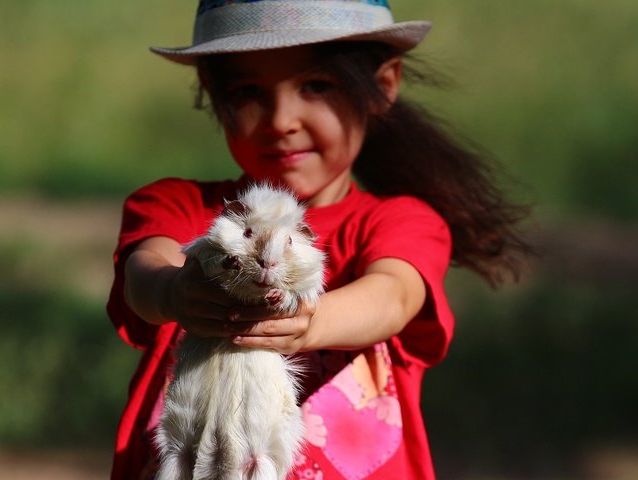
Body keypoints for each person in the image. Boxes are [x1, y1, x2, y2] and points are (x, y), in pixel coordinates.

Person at [107, 1, 531, 478]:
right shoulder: (181, 206)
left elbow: (395, 295)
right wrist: (172, 291)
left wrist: (311, 321)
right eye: (249, 91)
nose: (281, 119)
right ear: (213, 91)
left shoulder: (400, 221)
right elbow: (143, 272)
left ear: (383, 86)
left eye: (317, 86)